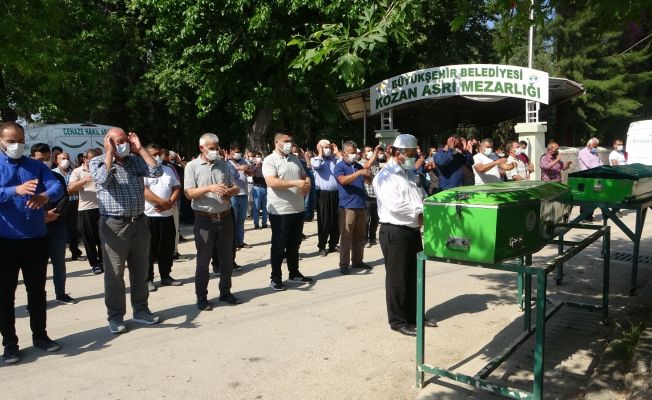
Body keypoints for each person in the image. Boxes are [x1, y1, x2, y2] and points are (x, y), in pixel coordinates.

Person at [0, 122, 64, 364]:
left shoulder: (35, 166)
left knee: (37, 291)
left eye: (20, 140)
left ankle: (40, 336)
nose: (16, 145)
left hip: (36, 239)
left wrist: (43, 196)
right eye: (10, 141)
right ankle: (10, 344)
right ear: (0, 141)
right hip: (5, 240)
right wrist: (14, 190)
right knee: (5, 296)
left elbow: (57, 185)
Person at [90, 128, 163, 334]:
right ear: (108, 142)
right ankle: (115, 316)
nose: (123, 145)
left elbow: (156, 171)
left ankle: (141, 310)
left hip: (139, 222)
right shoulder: (97, 162)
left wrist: (140, 149)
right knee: (115, 274)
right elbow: (103, 180)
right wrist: (110, 155)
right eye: (118, 142)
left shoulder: (133, 160)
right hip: (114, 225)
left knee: (140, 270)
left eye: (125, 141)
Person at [373, 134, 437, 337]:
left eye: (414, 153)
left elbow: (421, 197)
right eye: (409, 154)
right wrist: (419, 213)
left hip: (412, 230)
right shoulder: (385, 177)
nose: (412, 157)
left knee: (414, 275)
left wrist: (425, 209)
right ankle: (399, 320)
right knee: (398, 277)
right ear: (397, 153)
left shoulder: (409, 174)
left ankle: (415, 314)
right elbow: (396, 205)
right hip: (395, 231)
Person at [184, 133, 241, 311]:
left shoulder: (223, 165)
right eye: (212, 148)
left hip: (224, 216)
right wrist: (209, 188)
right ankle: (201, 297)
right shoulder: (192, 166)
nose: (215, 151)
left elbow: (235, 186)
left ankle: (225, 291)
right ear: (202, 148)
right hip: (204, 219)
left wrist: (229, 192)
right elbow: (189, 193)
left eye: (217, 148)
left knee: (227, 259)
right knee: (203, 260)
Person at [262, 130, 314, 291]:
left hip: (297, 208)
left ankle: (294, 273)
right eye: (285, 141)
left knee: (294, 244)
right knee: (279, 245)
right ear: (276, 143)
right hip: (280, 211)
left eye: (290, 141)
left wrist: (307, 183)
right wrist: (296, 183)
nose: (289, 144)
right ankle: (275, 277)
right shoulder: (270, 160)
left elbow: (305, 175)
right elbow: (271, 182)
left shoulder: (295, 159)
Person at [33, 145, 76, 305]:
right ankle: (37, 299)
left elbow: (64, 199)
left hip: (56, 225)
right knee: (37, 267)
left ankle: (61, 294)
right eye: (39, 159)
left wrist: (53, 215)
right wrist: (42, 217)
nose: (44, 162)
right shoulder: (27, 178)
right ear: (32, 158)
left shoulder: (55, 177)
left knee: (59, 263)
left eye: (46, 159)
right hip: (36, 228)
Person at [144, 143, 183, 292]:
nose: (156, 156)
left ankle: (166, 276)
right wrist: (161, 203)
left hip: (167, 215)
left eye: (158, 153)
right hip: (150, 215)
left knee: (166, 248)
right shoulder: (144, 171)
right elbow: (144, 191)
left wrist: (170, 202)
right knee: (149, 250)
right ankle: (148, 279)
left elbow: (176, 187)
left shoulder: (168, 170)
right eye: (152, 154)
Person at [334, 141, 372, 275]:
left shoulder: (358, 165)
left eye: (355, 153)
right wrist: (359, 173)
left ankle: (357, 261)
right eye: (351, 153)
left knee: (360, 236)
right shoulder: (339, 167)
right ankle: (344, 264)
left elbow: (368, 181)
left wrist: (368, 176)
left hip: (361, 204)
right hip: (347, 207)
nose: (353, 155)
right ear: (344, 153)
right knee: (346, 236)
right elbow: (343, 181)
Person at [69, 148, 104, 274]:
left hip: (102, 208)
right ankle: (94, 264)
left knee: (102, 238)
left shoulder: (102, 169)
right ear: (85, 159)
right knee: (88, 239)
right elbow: (71, 188)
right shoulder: (77, 171)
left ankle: (103, 262)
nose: (95, 162)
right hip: (86, 209)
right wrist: (84, 180)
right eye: (92, 159)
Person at [311, 139, 341, 257]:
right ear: (320, 148)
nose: (327, 149)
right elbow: (316, 166)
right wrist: (319, 154)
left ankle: (333, 244)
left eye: (329, 147)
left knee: (336, 220)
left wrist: (337, 152)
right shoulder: (316, 159)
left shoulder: (335, 159)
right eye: (325, 147)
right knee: (324, 220)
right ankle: (322, 246)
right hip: (323, 194)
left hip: (336, 193)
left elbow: (344, 164)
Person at [53, 151, 84, 261]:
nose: (65, 160)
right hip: (60, 205)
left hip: (74, 203)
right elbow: (60, 190)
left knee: (73, 229)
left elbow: (78, 188)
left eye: (67, 158)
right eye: (62, 158)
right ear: (56, 160)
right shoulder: (52, 173)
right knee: (58, 229)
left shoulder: (74, 172)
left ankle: (75, 252)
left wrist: (71, 189)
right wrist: (70, 190)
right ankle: (56, 255)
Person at [226, 143, 253, 249]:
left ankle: (240, 242)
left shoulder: (243, 161)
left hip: (244, 194)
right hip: (234, 195)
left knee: (241, 220)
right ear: (230, 152)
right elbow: (229, 175)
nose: (238, 154)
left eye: (239, 152)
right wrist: (238, 168)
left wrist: (247, 167)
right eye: (236, 152)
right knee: (233, 220)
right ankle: (233, 243)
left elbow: (251, 172)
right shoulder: (227, 163)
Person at [361, 145, 383, 248]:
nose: (371, 152)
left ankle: (373, 238)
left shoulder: (376, 163)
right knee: (366, 219)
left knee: (375, 218)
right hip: (366, 196)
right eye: (368, 151)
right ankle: (365, 239)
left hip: (376, 195)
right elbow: (366, 167)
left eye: (372, 151)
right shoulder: (361, 163)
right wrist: (375, 153)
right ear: (363, 154)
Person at [578, 138, 603, 222]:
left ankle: (589, 216)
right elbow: (589, 165)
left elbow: (600, 162)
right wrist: (599, 168)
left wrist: (602, 168)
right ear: (589, 145)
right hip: (587, 177)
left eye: (596, 146)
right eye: (594, 146)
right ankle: (584, 217)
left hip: (595, 177)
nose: (595, 148)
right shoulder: (583, 152)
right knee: (586, 198)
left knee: (594, 197)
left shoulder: (594, 152)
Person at [250, 151, 268, 229]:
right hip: (256, 188)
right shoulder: (252, 166)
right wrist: (256, 166)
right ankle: (256, 224)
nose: (259, 158)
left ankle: (264, 223)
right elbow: (251, 173)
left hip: (265, 188)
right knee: (256, 207)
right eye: (257, 156)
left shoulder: (265, 166)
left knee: (265, 207)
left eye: (259, 156)